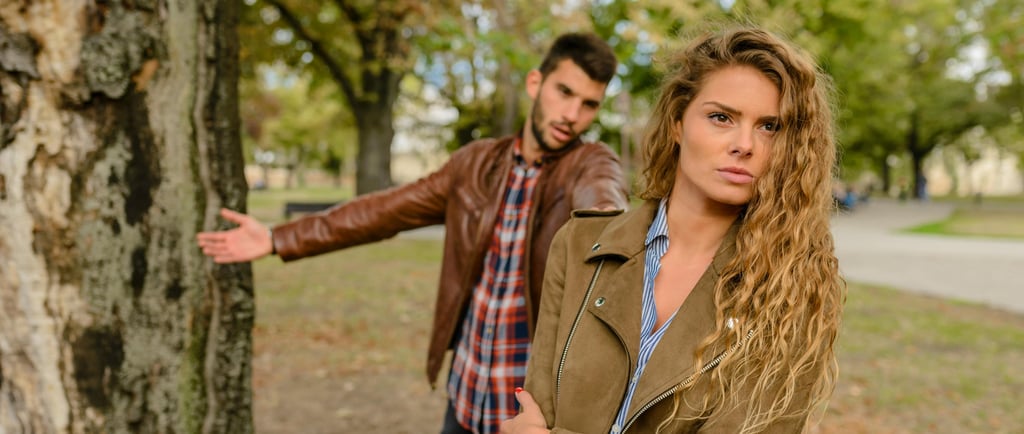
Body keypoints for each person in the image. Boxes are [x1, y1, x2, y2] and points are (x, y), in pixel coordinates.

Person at [196, 32, 628, 434]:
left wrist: (611, 230)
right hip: (464, 395)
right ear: (537, 83)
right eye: (565, 92)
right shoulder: (474, 165)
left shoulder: (591, 165)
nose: (572, 115)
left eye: (589, 104)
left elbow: (605, 212)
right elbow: (383, 211)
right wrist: (278, 238)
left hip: (529, 413)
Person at [501, 24, 845, 434]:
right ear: (678, 123)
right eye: (721, 117)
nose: (744, 144)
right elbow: (538, 407)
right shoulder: (578, 246)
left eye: (769, 126)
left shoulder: (794, 289)